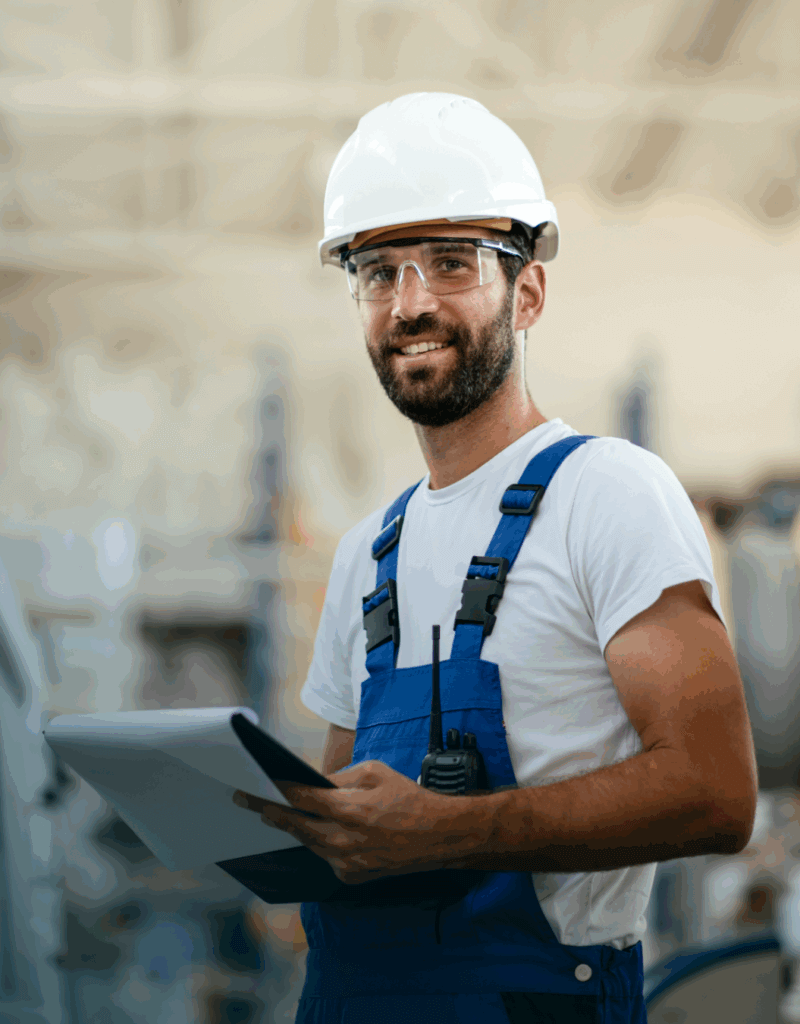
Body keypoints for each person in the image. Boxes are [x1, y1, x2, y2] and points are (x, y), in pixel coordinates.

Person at [235, 92, 758, 1024]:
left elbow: (716, 795)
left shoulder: (609, 494)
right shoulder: (367, 554)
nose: (411, 303)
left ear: (528, 292)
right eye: (378, 271)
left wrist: (453, 832)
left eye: (448, 262)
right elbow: (351, 816)